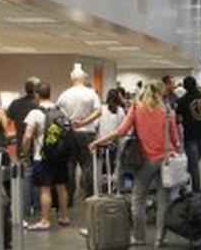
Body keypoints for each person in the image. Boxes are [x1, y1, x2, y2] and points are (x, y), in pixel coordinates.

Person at [89, 81, 180, 247]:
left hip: (145, 160)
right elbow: (175, 138)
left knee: (138, 198)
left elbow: (120, 132)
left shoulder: (137, 108)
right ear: (161, 93)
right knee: (163, 200)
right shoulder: (167, 110)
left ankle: (139, 237)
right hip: (167, 160)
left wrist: (98, 142)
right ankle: (160, 238)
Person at [21, 82, 71, 231]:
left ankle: (45, 220)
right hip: (60, 156)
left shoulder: (35, 113)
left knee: (45, 189)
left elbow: (27, 136)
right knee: (61, 187)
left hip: (42, 156)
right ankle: (64, 217)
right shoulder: (61, 111)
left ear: (36, 94)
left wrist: (24, 153)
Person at [57, 68, 101, 200]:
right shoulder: (91, 94)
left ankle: (69, 196)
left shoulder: (64, 94)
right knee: (87, 165)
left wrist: (69, 122)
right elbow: (98, 112)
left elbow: (58, 111)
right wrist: (83, 122)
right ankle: (88, 194)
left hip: (69, 133)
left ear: (72, 79)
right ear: (84, 79)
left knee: (70, 165)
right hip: (87, 133)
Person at [6, 77, 41, 217]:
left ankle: (25, 208)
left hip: (21, 145)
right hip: (37, 145)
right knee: (37, 178)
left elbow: (7, 121)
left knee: (24, 177)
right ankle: (37, 206)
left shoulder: (15, 104)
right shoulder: (37, 105)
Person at [176, 76, 201, 193]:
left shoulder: (182, 101)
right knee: (196, 161)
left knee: (193, 162)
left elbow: (178, 118)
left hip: (190, 134)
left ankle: (183, 179)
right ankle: (196, 188)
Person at [97, 89, 126, 184]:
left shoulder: (101, 109)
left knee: (104, 163)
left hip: (102, 140)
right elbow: (123, 126)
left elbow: (96, 125)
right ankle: (112, 182)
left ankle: (104, 181)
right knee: (114, 162)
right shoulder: (120, 110)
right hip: (114, 141)